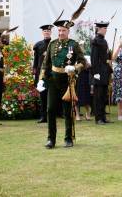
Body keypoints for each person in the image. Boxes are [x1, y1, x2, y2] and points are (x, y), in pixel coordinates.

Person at [40, 15, 86, 149]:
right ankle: (51, 139)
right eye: (59, 30)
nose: (61, 33)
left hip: (67, 81)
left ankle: (68, 138)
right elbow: (45, 63)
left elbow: (83, 62)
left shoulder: (74, 44)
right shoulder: (52, 44)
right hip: (53, 81)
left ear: (68, 32)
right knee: (50, 109)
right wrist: (42, 79)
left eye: (63, 31)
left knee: (67, 111)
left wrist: (75, 68)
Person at [91, 21, 111, 125]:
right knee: (98, 96)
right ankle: (98, 118)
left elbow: (107, 55)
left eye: (106, 28)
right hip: (98, 71)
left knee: (103, 95)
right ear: (99, 29)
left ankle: (103, 117)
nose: (106, 30)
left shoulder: (103, 40)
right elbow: (94, 58)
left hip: (105, 71)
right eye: (104, 28)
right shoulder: (95, 41)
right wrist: (95, 72)